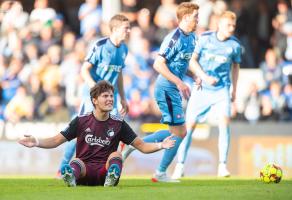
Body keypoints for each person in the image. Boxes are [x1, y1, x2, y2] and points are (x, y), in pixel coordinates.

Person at [19, 81, 175, 187]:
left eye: (111, 96)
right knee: (76, 161)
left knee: (117, 154)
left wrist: (161, 145)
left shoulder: (118, 123)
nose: (110, 99)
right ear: (94, 100)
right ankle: (71, 176)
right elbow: (56, 140)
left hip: (105, 171)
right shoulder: (80, 121)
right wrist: (36, 142)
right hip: (84, 171)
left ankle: (110, 178)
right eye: (105, 96)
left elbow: (142, 146)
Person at [122, 2, 199, 182]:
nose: (198, 20)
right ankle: (159, 172)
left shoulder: (192, 38)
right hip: (166, 88)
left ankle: (135, 145)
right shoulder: (175, 37)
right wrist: (180, 82)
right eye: (196, 17)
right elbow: (158, 64)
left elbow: (180, 64)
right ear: (186, 18)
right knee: (180, 133)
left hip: (172, 88)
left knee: (178, 131)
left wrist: (193, 76)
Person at [56, 14, 130, 177]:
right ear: (116, 29)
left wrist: (123, 98)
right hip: (93, 98)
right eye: (126, 28)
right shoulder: (100, 45)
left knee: (114, 132)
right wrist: (95, 90)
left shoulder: (124, 48)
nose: (129, 31)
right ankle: (62, 167)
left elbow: (119, 74)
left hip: (112, 98)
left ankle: (105, 169)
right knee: (80, 130)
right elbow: (84, 69)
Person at [172, 11, 241, 179]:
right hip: (202, 89)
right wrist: (204, 77)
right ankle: (180, 165)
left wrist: (234, 90)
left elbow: (236, 68)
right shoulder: (204, 38)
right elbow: (192, 61)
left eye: (233, 26)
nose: (231, 29)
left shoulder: (235, 45)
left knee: (225, 122)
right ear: (219, 24)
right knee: (189, 128)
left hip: (221, 90)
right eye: (228, 25)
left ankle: (222, 166)